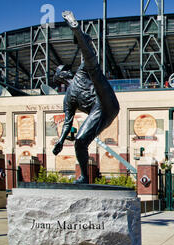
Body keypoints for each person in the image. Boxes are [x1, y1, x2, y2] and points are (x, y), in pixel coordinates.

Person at [52, 11, 120, 184]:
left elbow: (89, 55)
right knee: (80, 142)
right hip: (102, 112)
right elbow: (68, 121)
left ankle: (76, 30)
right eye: (64, 70)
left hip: (105, 99)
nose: (67, 70)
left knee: (93, 68)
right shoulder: (68, 98)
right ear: (60, 77)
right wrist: (60, 142)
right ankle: (83, 176)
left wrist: (78, 33)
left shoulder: (81, 73)